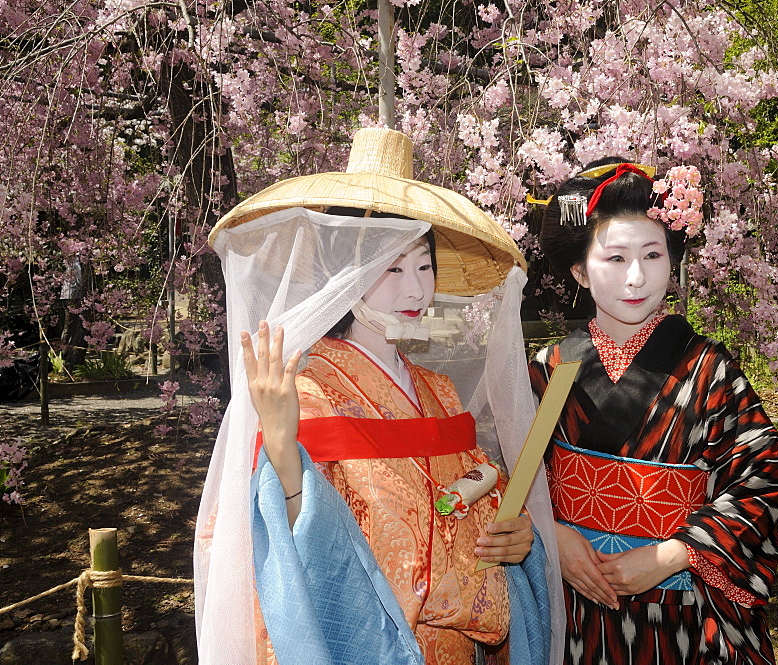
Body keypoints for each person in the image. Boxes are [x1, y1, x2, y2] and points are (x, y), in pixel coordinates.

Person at [195, 128, 563, 665]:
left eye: (423, 265)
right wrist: (280, 447)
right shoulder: (306, 388)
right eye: (391, 268)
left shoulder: (438, 391)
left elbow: (485, 495)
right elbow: (287, 546)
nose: (416, 290)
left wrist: (514, 536)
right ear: (347, 272)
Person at [529, 160, 778, 664]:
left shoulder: (709, 369)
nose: (636, 277)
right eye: (615, 258)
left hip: (682, 604)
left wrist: (674, 554)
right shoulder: (550, 368)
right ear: (580, 270)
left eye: (653, 255)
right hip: (574, 601)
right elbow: (517, 478)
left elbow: (763, 479)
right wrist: (553, 535)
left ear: (672, 262)